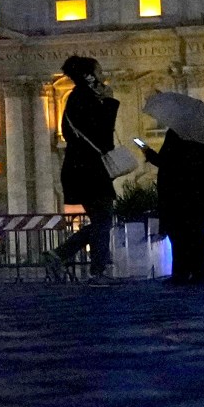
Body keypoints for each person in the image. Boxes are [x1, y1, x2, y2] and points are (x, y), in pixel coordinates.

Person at [53, 55, 120, 283]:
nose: (102, 76)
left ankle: (60, 254)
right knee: (103, 220)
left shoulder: (75, 99)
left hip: (78, 169)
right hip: (89, 170)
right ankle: (97, 271)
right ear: (89, 75)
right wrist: (109, 103)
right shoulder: (86, 99)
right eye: (99, 71)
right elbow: (103, 138)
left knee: (101, 220)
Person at [146, 125, 204, 285]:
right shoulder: (202, 135)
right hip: (195, 192)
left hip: (177, 192)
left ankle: (182, 272)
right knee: (195, 232)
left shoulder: (176, 133)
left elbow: (166, 163)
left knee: (179, 234)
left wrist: (148, 153)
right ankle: (201, 271)